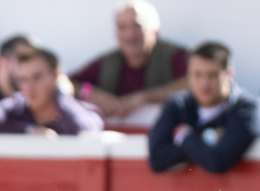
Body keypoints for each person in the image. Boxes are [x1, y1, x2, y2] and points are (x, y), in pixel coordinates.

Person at [148, 42, 258, 174]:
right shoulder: (177, 105)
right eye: (197, 75)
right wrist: (207, 137)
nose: (204, 84)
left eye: (212, 75)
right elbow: (157, 158)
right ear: (188, 75)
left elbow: (219, 161)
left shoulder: (247, 109)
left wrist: (184, 137)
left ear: (229, 75)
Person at [69, 1, 188, 120]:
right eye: (122, 27)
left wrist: (146, 97)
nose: (129, 35)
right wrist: (91, 93)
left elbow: (194, 83)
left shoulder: (173, 56)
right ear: (116, 34)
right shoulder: (107, 62)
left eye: (137, 26)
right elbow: (67, 84)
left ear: (156, 31)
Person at [0, 48, 103, 136]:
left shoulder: (82, 109)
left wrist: (63, 95)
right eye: (23, 79)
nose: (29, 86)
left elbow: (82, 129)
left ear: (56, 76)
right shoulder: (15, 106)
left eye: (37, 77)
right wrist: (28, 130)